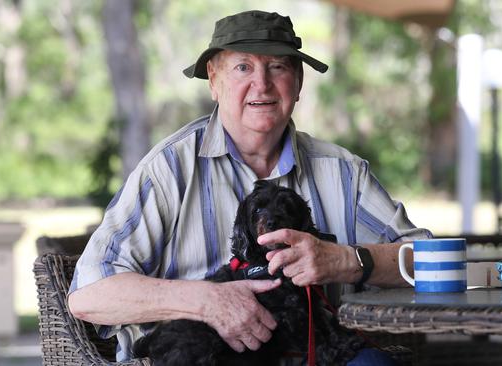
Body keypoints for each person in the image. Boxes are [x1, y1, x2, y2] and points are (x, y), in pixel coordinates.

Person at [69, 10, 431, 365]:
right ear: (214, 80)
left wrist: (346, 260)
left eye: (278, 67)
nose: (262, 84)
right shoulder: (167, 170)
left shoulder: (343, 172)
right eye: (243, 67)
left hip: (314, 352)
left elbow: (433, 262)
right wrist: (207, 302)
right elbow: (88, 295)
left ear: (298, 82)